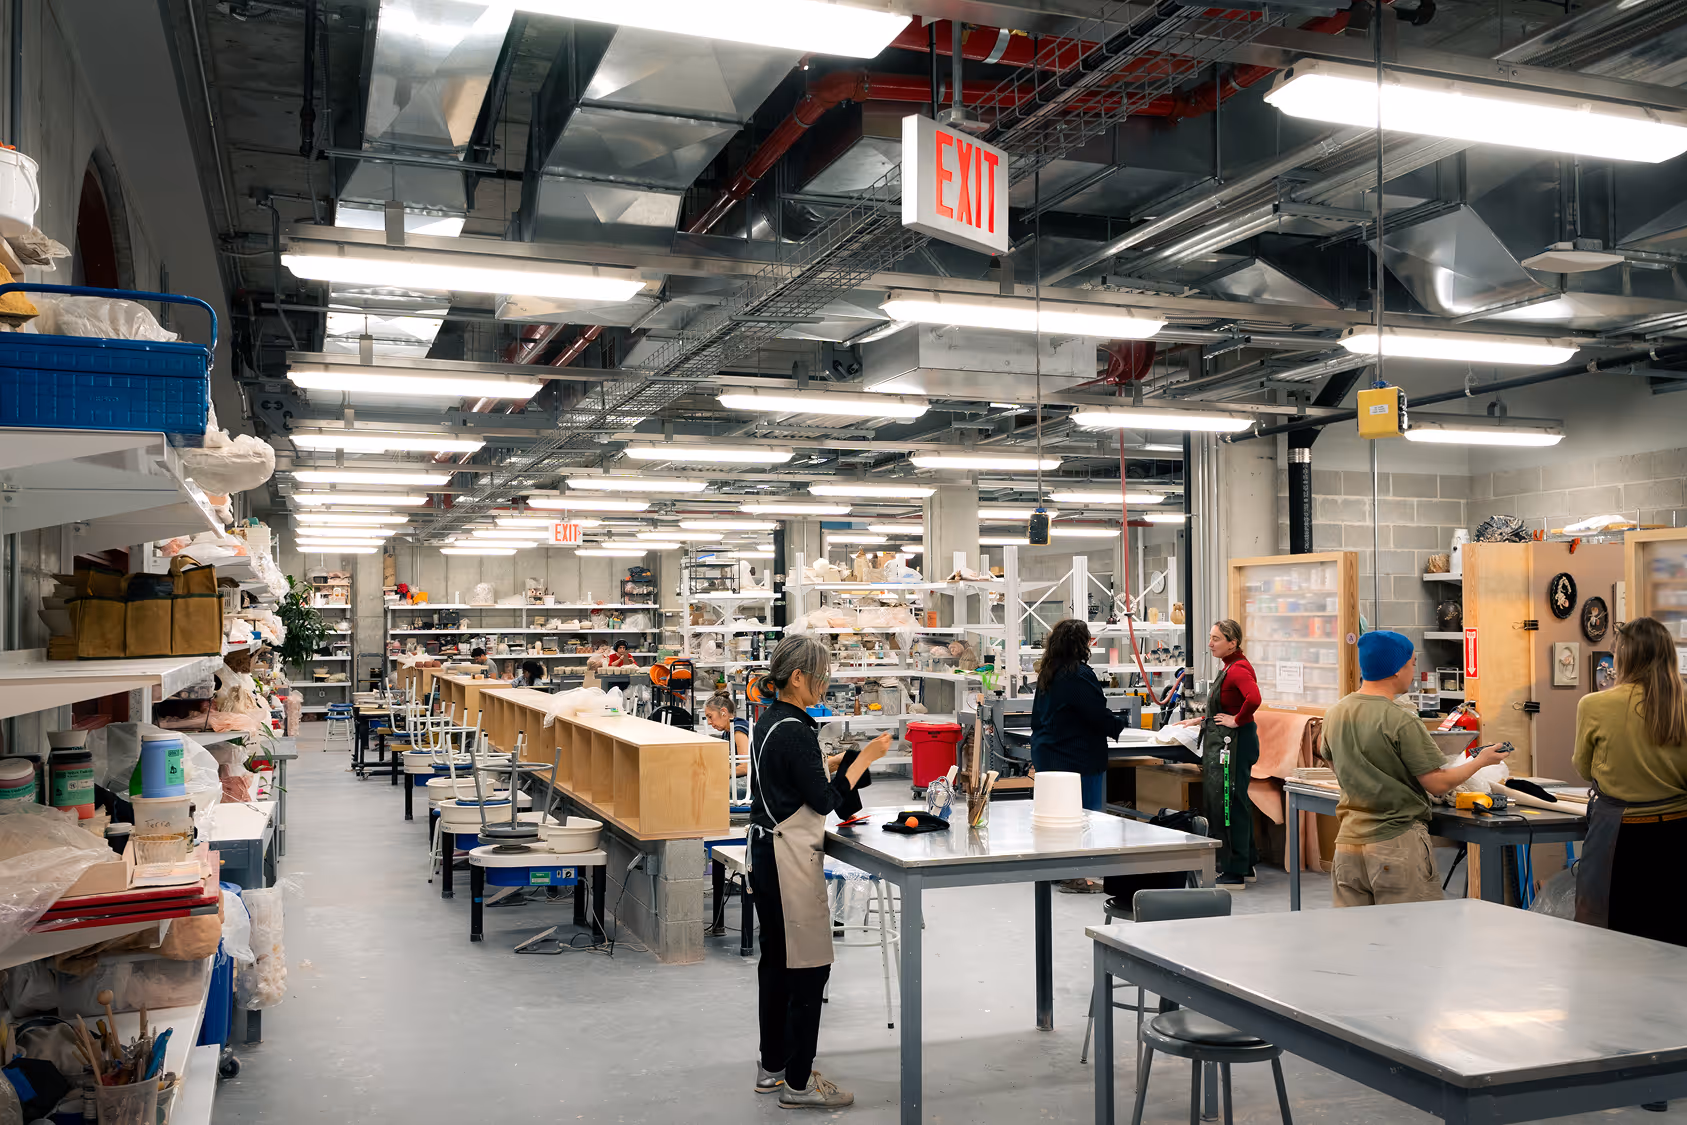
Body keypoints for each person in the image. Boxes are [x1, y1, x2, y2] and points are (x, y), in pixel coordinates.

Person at [750, 635, 889, 1109]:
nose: (825, 685)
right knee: (809, 969)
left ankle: (773, 1067)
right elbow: (825, 802)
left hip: (766, 854)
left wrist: (827, 764)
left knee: (776, 965)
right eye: (821, 676)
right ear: (797, 678)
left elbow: (791, 778)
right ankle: (799, 1084)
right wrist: (865, 759)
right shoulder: (795, 729)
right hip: (788, 860)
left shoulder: (770, 720)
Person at [1323, 630, 1510, 907]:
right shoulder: (1399, 719)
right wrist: (1480, 761)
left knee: (1356, 942)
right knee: (1411, 939)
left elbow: (1332, 762)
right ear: (1396, 669)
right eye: (1411, 663)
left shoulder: (1336, 712)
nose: (1413, 670)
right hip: (1395, 844)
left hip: (1348, 848)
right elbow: (1437, 783)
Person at [1572, 616, 1687, 946]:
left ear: (1622, 657)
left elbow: (1583, 768)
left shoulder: (1595, 704)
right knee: (1673, 933)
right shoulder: (1681, 704)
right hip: (1679, 834)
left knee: (1609, 932)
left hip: (1619, 835)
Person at [1031, 619, 1126, 892]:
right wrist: (1122, 728)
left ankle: (1055, 869)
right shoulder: (1079, 674)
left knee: (1054, 817)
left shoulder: (1048, 672)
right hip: (1076, 759)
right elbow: (1096, 713)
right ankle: (1076, 875)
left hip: (1048, 754)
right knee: (1082, 817)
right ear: (1080, 644)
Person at [1174, 620, 1262, 890]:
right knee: (1233, 801)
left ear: (1232, 642)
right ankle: (1244, 865)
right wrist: (1201, 721)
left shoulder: (1239, 670)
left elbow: (1254, 699)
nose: (1210, 644)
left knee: (1228, 804)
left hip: (1234, 745)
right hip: (1227, 740)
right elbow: (1228, 705)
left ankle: (1235, 871)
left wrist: (1237, 720)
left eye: (1216, 639)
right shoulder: (1229, 667)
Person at [703, 691, 751, 777]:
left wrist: (716, 775)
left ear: (723, 712)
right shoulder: (727, 732)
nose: (709, 722)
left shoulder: (738, 730)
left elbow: (746, 767)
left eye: (710, 716)